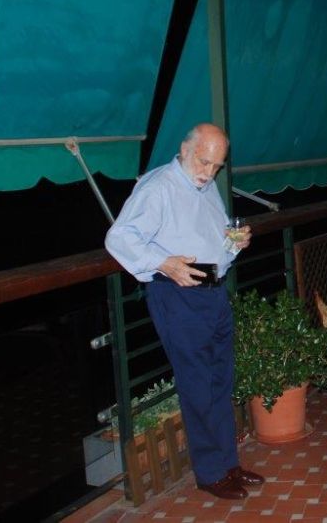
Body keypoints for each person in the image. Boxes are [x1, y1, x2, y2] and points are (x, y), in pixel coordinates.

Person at [105, 123, 262, 501]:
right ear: (185, 150)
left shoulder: (207, 187)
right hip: (178, 296)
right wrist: (163, 263)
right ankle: (210, 473)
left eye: (217, 166)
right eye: (204, 162)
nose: (209, 172)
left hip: (213, 292)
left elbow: (215, 243)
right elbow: (119, 238)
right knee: (198, 385)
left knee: (220, 381)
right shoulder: (159, 187)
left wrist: (234, 243)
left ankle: (228, 464)